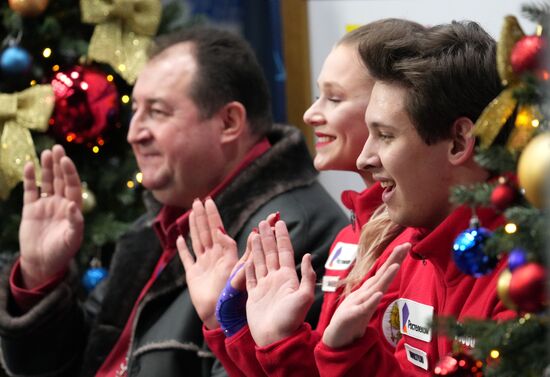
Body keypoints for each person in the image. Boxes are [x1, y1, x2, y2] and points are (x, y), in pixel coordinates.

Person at [0, 27, 348, 377]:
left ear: (229, 122)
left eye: (157, 112)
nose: (134, 133)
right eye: (135, 110)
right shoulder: (157, 225)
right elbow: (63, 366)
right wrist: (39, 276)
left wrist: (223, 317)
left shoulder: (290, 234)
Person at [244, 20, 517, 377]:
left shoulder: (525, 276)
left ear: (459, 142)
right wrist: (340, 352)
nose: (364, 159)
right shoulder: (423, 254)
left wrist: (334, 353)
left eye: (385, 135)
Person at [176, 19, 425, 377]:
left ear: (385, 107)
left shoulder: (412, 240)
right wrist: (229, 321)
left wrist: (279, 339)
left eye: (334, 98)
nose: (310, 114)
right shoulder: (352, 232)